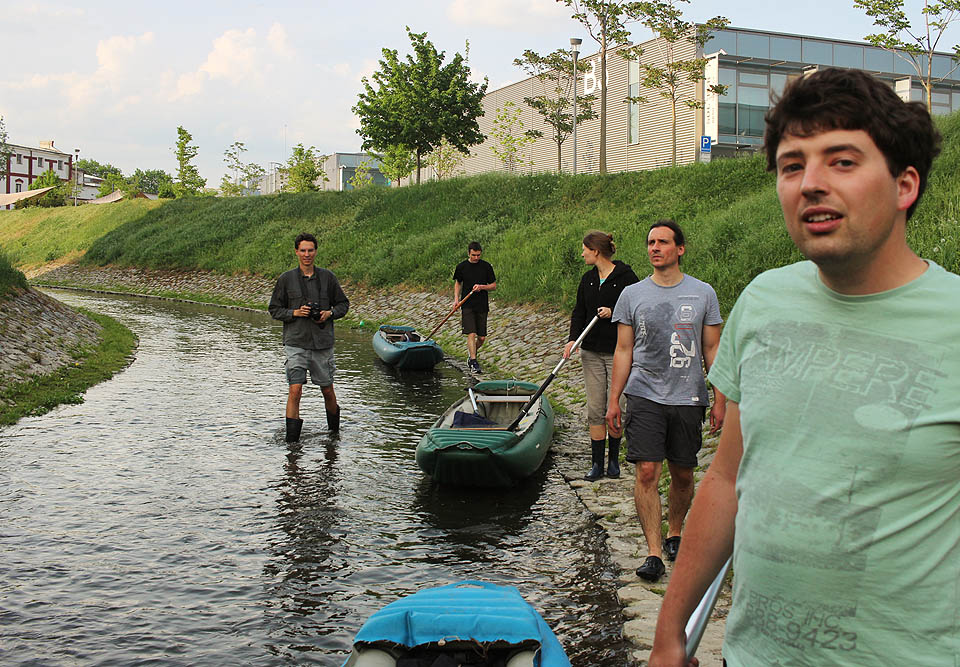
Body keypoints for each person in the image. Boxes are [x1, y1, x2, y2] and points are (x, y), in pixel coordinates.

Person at [649, 68, 956, 666]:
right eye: (792, 166)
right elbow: (727, 480)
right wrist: (670, 630)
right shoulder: (764, 300)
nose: (810, 183)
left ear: (905, 185)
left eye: (842, 161)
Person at [606, 219, 724, 583]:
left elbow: (712, 348)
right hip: (644, 393)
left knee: (683, 473)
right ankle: (654, 552)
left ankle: (675, 532)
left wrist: (720, 397)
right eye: (650, 242)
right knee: (646, 471)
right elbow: (623, 350)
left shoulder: (703, 293)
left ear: (680, 249)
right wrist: (614, 400)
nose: (654, 248)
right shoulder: (632, 295)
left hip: (688, 395)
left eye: (662, 242)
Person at [563, 231, 639, 481]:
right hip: (591, 352)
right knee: (595, 408)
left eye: (585, 249)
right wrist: (573, 340)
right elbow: (579, 312)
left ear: (596, 251)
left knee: (616, 407)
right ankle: (597, 464)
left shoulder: (627, 278)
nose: (582, 253)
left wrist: (614, 312)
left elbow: (638, 311)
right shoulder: (588, 279)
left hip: (619, 352)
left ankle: (614, 461)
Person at [269, 232, 349, 443]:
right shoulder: (286, 279)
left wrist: (329, 313)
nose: (307, 254)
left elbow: (343, 304)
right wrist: (294, 312)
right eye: (303, 250)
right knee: (295, 389)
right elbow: (274, 309)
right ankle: (291, 444)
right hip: (295, 342)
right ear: (296, 252)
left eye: (310, 250)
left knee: (327, 390)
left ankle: (334, 435)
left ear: (316, 252)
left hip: (322, 344)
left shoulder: (328, 277)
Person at [453, 241, 496, 373]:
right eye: (473, 255)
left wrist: (482, 287)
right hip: (467, 305)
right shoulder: (461, 267)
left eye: (478, 255)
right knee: (471, 333)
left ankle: (472, 353)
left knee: (481, 338)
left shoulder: (486, 266)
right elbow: (458, 283)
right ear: (468, 253)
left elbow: (493, 286)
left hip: (482, 305)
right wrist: (456, 299)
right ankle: (473, 361)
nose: (476, 258)